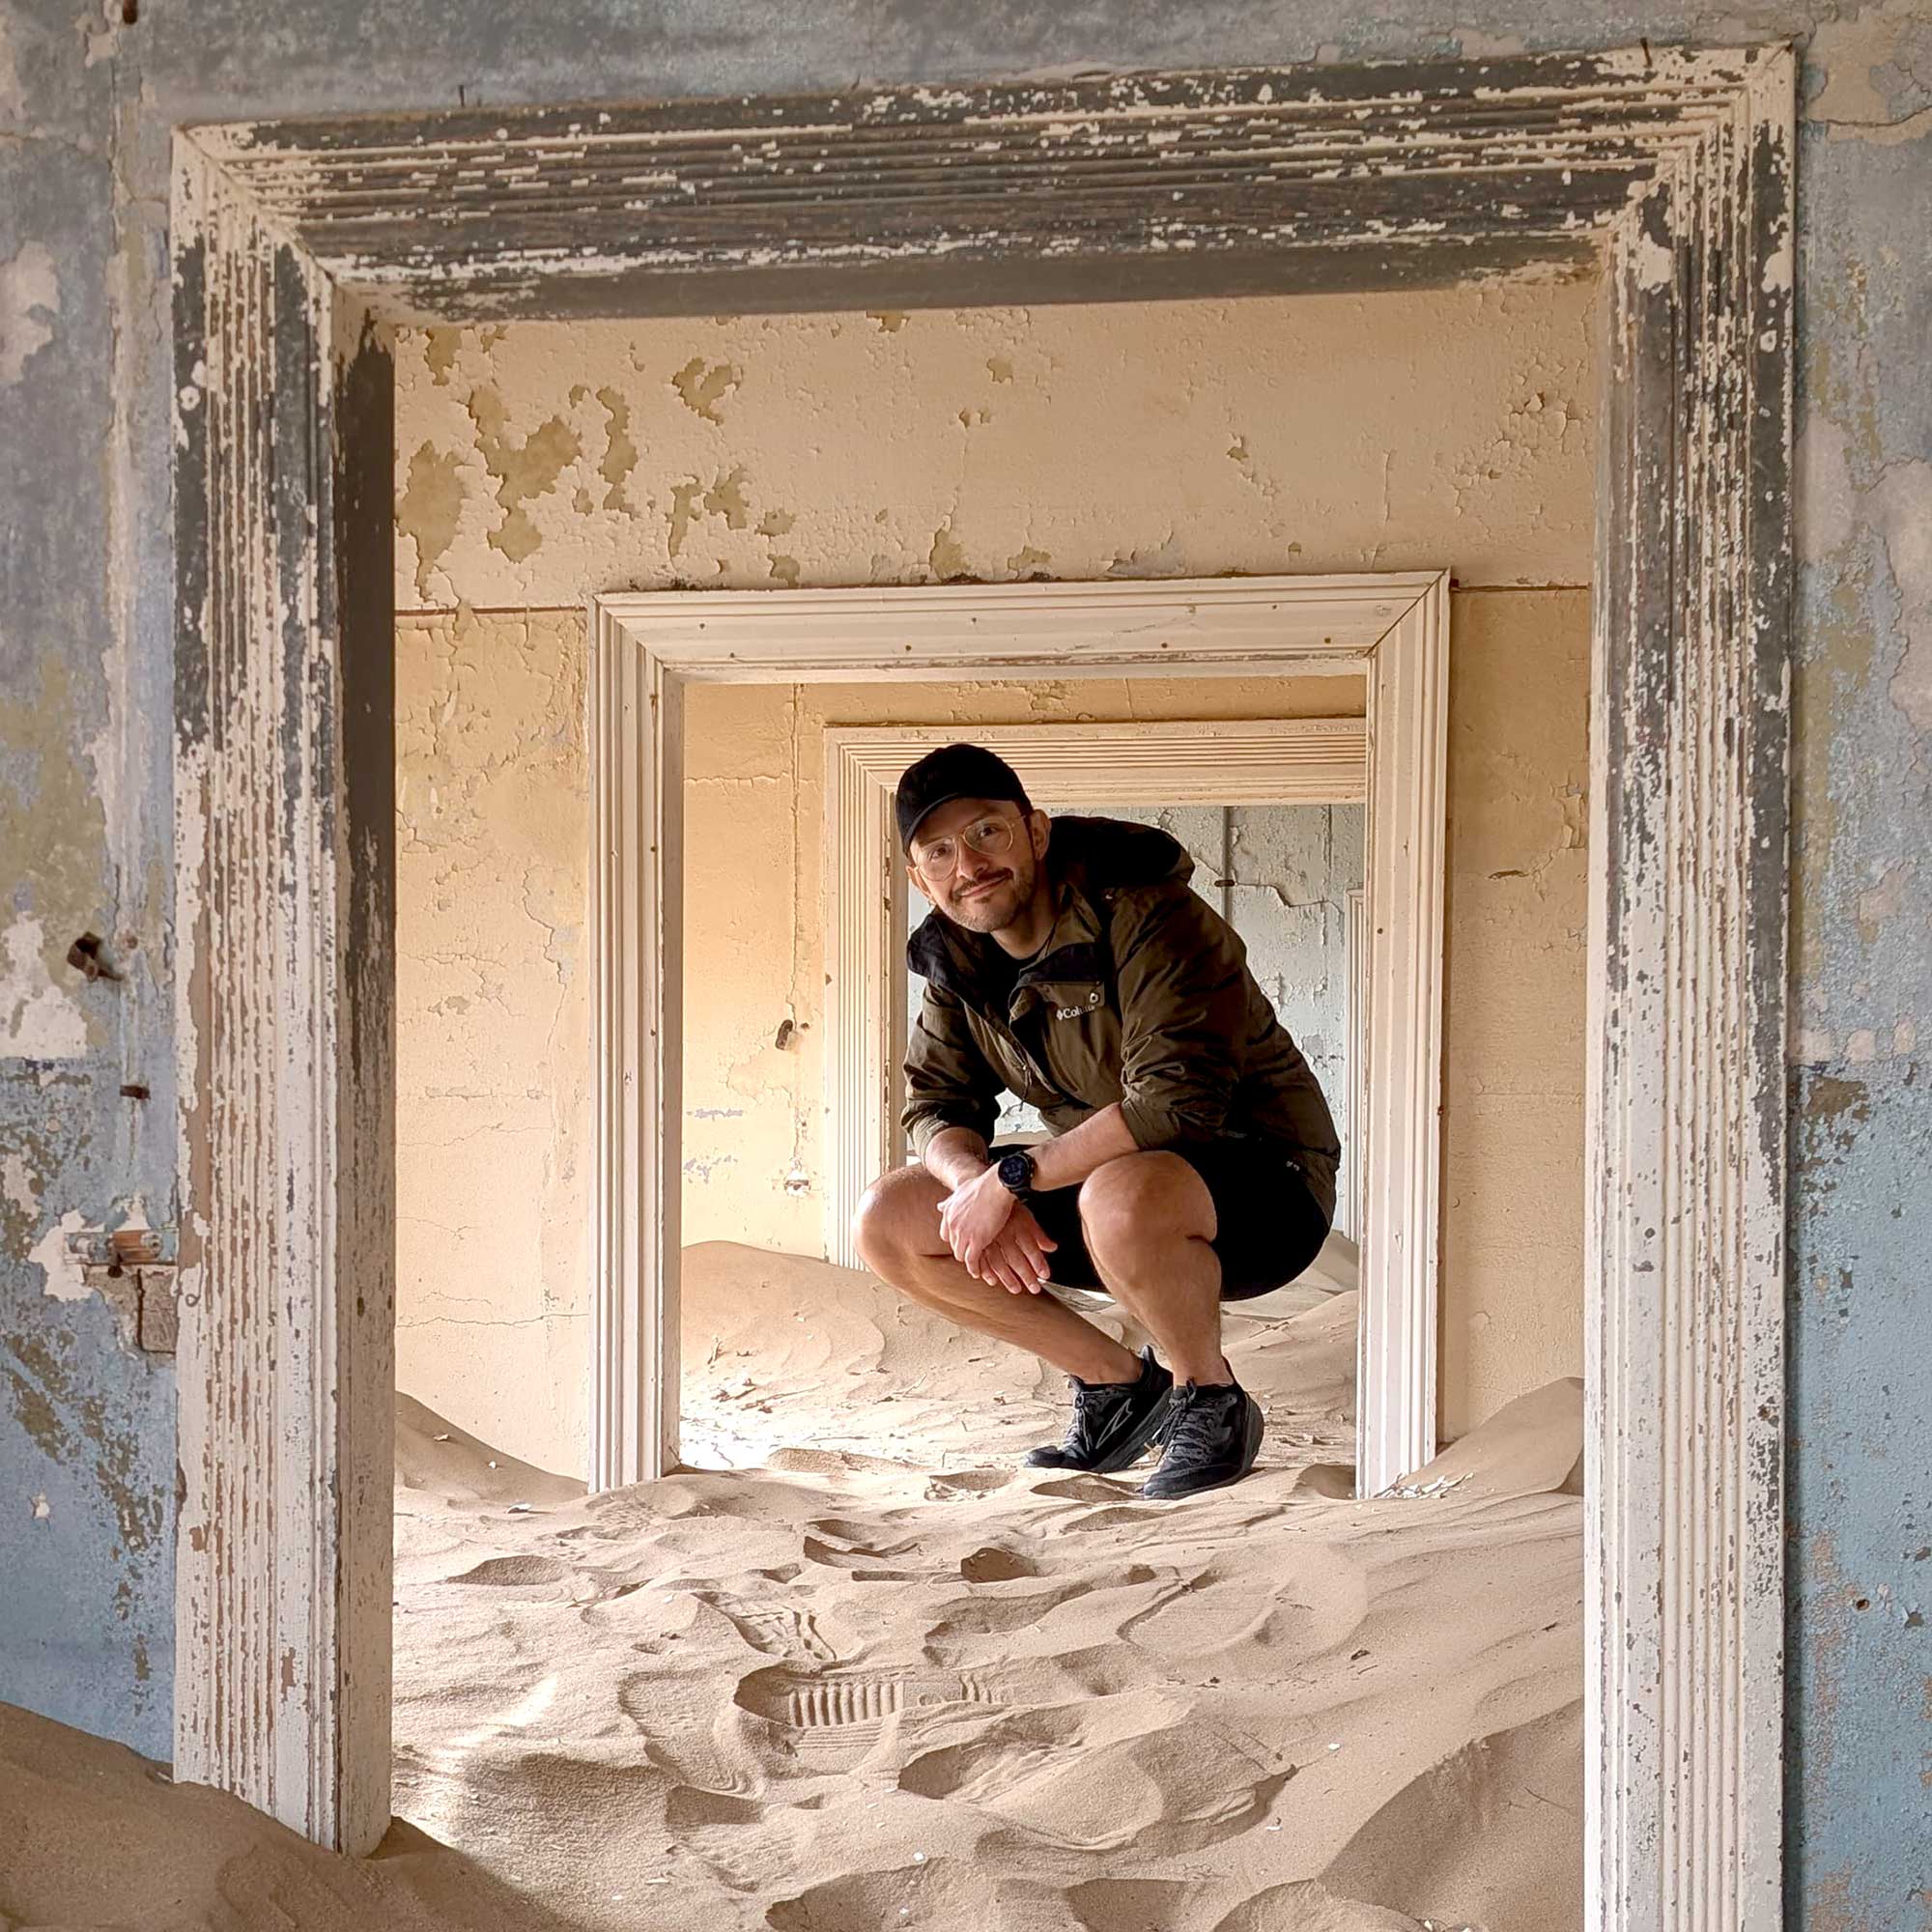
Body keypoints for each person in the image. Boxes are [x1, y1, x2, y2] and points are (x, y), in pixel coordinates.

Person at [852, 742, 1340, 1500]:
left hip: (1264, 1187)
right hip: (1107, 1185)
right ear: (919, 878)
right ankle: (1116, 1387)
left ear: (1035, 833)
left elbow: (1175, 1103)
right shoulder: (958, 959)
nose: (968, 865)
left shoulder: (1148, 910)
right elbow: (937, 1105)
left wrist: (1014, 1177)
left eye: (987, 832)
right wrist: (977, 1184)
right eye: (939, 851)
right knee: (890, 1217)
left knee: (1117, 1190)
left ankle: (1207, 1397)